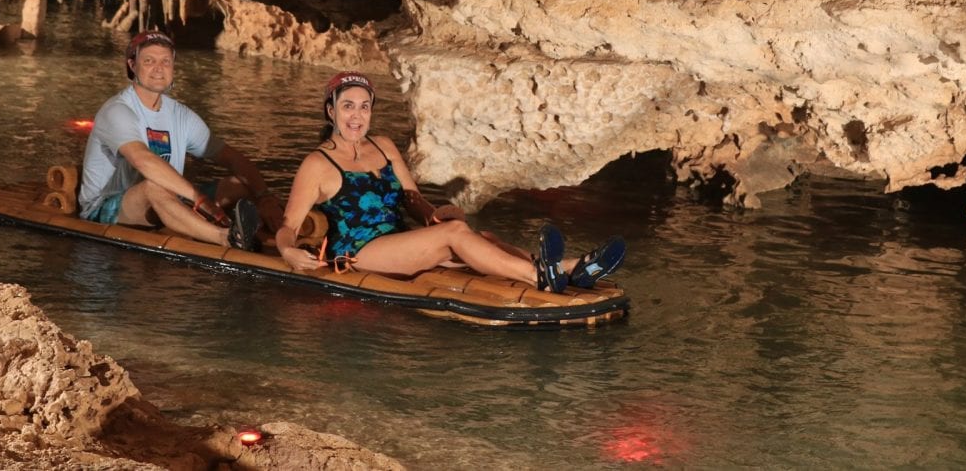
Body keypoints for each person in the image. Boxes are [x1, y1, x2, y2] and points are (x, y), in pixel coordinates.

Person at [275, 71, 626, 292]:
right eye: (348, 106)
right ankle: (540, 277)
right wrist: (288, 251)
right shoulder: (316, 164)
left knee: (480, 237)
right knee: (456, 236)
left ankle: (575, 268)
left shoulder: (382, 145)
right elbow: (289, 225)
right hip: (359, 253)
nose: (357, 115)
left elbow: (411, 198)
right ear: (331, 111)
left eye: (364, 107)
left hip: (400, 239)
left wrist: (434, 214)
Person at [78, 30, 281, 252]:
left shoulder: (181, 115)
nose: (159, 68)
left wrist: (264, 197)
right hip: (105, 208)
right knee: (153, 187)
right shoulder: (117, 111)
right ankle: (226, 238)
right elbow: (144, 161)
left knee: (238, 185)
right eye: (149, 61)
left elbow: (233, 158)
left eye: (166, 61)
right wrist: (198, 199)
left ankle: (267, 235)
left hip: (169, 199)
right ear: (132, 66)